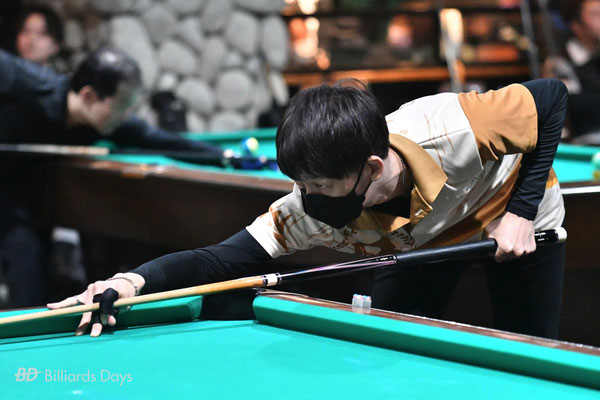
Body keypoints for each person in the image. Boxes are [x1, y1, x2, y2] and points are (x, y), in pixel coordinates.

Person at [50, 78, 567, 341]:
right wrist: (132, 281)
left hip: (513, 217)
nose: (305, 194)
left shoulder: (450, 128)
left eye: (319, 183)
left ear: (371, 168)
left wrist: (521, 213)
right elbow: (218, 260)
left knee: (529, 346)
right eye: (299, 181)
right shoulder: (306, 209)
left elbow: (550, 98)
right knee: (382, 344)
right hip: (422, 244)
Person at [0, 45, 223, 307]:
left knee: (31, 270)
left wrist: (225, 157)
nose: (125, 116)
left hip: (22, 199)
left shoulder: (107, 122)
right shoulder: (21, 80)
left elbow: (160, 140)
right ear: (88, 96)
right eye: (121, 106)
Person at [544, 0, 600, 143]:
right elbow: (577, 110)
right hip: (585, 145)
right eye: (595, 14)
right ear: (576, 25)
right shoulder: (560, 62)